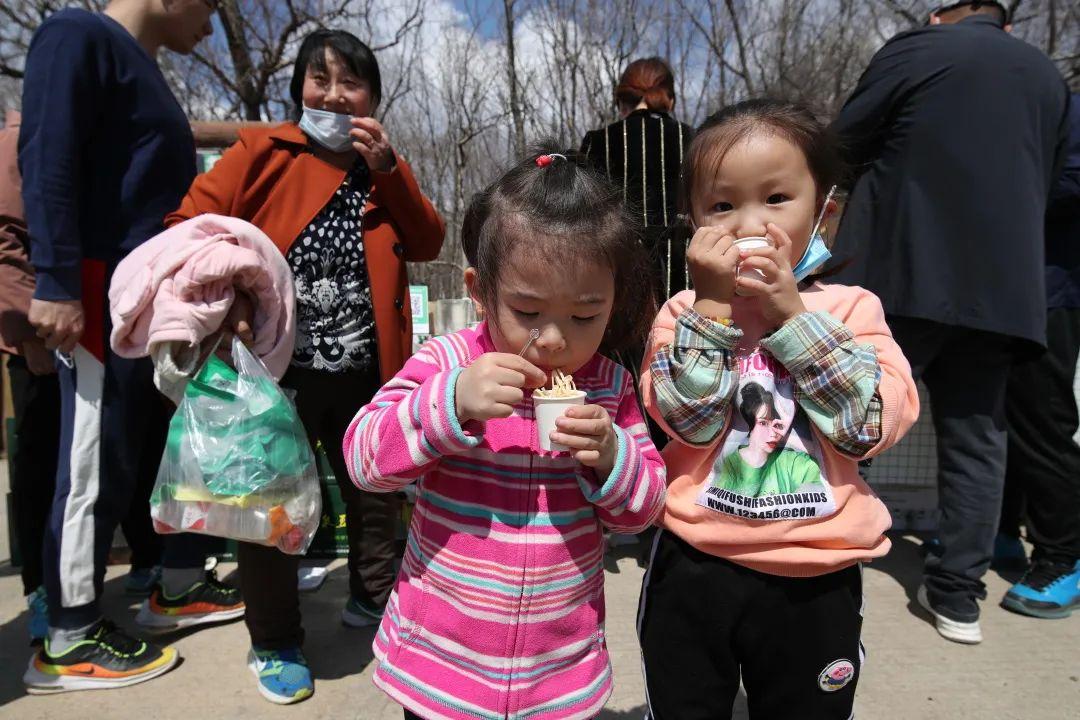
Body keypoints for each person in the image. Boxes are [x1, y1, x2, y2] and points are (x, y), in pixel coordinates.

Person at [165, 29, 445, 703]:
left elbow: (429, 240)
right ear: (298, 91)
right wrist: (228, 290)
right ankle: (276, 641)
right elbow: (186, 227)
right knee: (271, 511)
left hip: (366, 368)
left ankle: (374, 602)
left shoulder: (376, 169)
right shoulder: (262, 152)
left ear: (372, 98)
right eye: (319, 81)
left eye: (350, 82)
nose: (334, 95)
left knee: (374, 492)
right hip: (274, 372)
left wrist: (389, 168)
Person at [342, 147, 668, 720]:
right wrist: (450, 404)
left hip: (557, 668)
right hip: (441, 660)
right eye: (528, 310)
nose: (553, 340)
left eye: (585, 316)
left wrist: (611, 455)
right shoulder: (446, 361)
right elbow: (364, 458)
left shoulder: (612, 387)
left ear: (613, 299)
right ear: (479, 289)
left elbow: (642, 512)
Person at [637, 100, 919, 720]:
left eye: (775, 199)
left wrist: (793, 318)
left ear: (826, 215)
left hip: (816, 570)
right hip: (696, 558)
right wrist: (710, 311)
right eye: (721, 205)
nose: (748, 225)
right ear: (694, 225)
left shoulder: (852, 311)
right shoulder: (682, 313)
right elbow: (688, 420)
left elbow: (864, 426)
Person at [18, 0, 244, 694]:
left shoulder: (143, 71)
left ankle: (168, 587)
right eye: (208, 4)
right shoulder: (75, 36)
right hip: (92, 290)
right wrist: (54, 281)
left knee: (133, 452)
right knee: (92, 458)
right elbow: (47, 153)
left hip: (144, 299)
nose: (210, 22)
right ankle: (69, 638)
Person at [830, 0, 1069, 643]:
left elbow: (842, 141)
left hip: (903, 273)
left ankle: (825, 560)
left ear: (945, 13)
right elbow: (1063, 177)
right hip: (1004, 289)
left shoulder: (918, 48)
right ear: (1003, 20)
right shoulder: (1047, 76)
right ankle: (959, 595)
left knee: (851, 415)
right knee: (976, 436)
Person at [1000, 92, 1080, 619]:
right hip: (1004, 294)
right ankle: (1000, 533)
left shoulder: (1061, 106)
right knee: (996, 418)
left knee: (1043, 423)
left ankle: (1063, 557)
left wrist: (999, 193)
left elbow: (1071, 182)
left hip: (1051, 292)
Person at [1, 111, 58, 645]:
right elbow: (6, 242)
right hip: (39, 336)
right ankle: (40, 588)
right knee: (38, 464)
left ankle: (144, 564)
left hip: (87, 331)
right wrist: (27, 333)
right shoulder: (21, 141)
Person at [581, 57, 695, 302]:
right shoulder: (695, 140)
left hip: (619, 276)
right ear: (670, 99)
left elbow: (585, 218)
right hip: (687, 279)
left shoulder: (599, 142)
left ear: (622, 100)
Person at [715, 383, 822, 497]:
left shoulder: (788, 461)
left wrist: (786, 436)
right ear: (749, 424)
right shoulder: (730, 463)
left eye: (775, 424)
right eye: (763, 423)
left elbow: (823, 457)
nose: (772, 434)